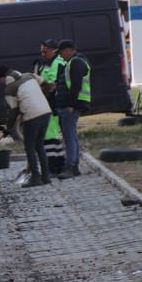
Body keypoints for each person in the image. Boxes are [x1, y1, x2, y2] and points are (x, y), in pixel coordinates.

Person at [0, 66, 52, 187]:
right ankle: (46, 176)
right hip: (46, 111)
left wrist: (7, 127)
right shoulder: (30, 75)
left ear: (3, 78)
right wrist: (39, 97)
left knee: (30, 146)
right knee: (39, 145)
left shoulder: (10, 88)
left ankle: (36, 178)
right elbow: (47, 85)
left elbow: (12, 111)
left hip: (32, 115)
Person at [54, 39, 91, 180]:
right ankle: (74, 167)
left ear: (69, 50)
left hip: (72, 105)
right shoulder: (73, 62)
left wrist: (70, 104)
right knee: (72, 136)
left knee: (69, 137)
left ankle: (69, 167)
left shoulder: (76, 62)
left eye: (62, 53)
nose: (61, 56)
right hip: (71, 104)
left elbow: (76, 84)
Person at [34, 39, 67, 175]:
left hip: (53, 103)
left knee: (49, 136)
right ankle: (60, 164)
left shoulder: (58, 63)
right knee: (52, 135)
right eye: (41, 51)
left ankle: (52, 166)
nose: (42, 54)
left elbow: (53, 84)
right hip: (46, 103)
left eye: (45, 51)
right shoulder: (45, 64)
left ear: (54, 51)